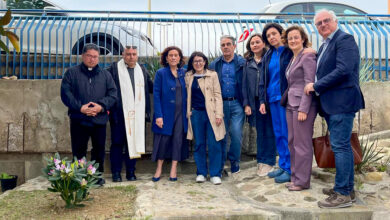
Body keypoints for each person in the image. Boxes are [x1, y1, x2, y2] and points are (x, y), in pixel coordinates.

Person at [304, 9, 365, 208]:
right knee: (342, 145)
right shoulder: (325, 45)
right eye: (319, 23)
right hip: (333, 104)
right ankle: (347, 189)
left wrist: (316, 86)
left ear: (335, 21)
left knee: (340, 146)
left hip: (342, 101)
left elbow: (343, 69)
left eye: (326, 21)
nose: (322, 25)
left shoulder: (344, 39)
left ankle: (342, 194)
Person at [60, 43, 117, 186]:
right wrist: (81, 108)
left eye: (95, 57)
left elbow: (112, 94)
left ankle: (96, 176)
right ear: (83, 56)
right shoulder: (71, 73)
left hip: (99, 119)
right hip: (79, 119)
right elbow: (66, 94)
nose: (92, 59)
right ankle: (79, 177)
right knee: (79, 149)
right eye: (89, 56)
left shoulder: (105, 75)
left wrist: (101, 106)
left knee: (99, 150)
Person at [107, 46, 153, 182]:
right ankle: (116, 173)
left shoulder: (142, 70)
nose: (131, 57)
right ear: (123, 55)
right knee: (117, 143)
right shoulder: (114, 69)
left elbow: (150, 86)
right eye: (128, 54)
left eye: (134, 54)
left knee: (133, 143)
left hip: (137, 115)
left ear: (137, 55)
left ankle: (131, 172)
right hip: (119, 114)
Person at [282, 26, 317, 191]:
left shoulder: (307, 56)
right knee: (292, 142)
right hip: (290, 104)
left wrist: (304, 108)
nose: (293, 40)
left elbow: (309, 83)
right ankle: (295, 178)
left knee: (302, 144)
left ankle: (303, 181)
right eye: (290, 38)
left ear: (303, 39)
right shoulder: (293, 58)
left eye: (296, 37)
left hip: (302, 106)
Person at [258, 23, 292, 183]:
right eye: (268, 36)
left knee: (287, 134)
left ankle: (291, 168)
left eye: (274, 33)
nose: (271, 37)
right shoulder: (268, 55)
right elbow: (263, 80)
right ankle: (283, 166)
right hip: (271, 99)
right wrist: (263, 100)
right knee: (278, 134)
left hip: (286, 98)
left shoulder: (289, 51)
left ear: (281, 34)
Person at [185, 51, 226, 185]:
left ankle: (215, 173)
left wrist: (219, 114)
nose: (198, 63)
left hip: (212, 114)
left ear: (205, 62)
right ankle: (201, 172)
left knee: (214, 143)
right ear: (192, 63)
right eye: (195, 61)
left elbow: (218, 95)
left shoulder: (212, 75)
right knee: (199, 144)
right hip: (196, 114)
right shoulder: (189, 76)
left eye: (200, 60)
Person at [209, 35, 245, 175]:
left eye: (228, 44)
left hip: (237, 103)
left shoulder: (242, 63)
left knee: (236, 134)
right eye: (223, 44)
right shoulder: (214, 65)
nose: (225, 47)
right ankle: (221, 163)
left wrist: (247, 104)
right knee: (221, 135)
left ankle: (235, 161)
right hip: (220, 105)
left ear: (234, 46)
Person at [242, 34, 277, 177]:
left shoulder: (269, 60)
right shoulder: (247, 63)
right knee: (260, 132)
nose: (255, 45)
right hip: (255, 102)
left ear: (263, 43)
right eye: (252, 43)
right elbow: (244, 85)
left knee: (271, 130)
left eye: (257, 42)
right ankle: (261, 161)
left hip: (268, 100)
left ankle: (269, 161)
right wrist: (247, 104)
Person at [151, 46, 188, 182]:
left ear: (180, 58)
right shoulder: (161, 73)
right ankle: (159, 168)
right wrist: (159, 115)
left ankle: (174, 168)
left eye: (176, 55)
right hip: (165, 114)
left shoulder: (185, 73)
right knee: (163, 141)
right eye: (170, 55)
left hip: (181, 114)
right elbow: (156, 95)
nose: (173, 57)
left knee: (178, 140)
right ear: (166, 58)